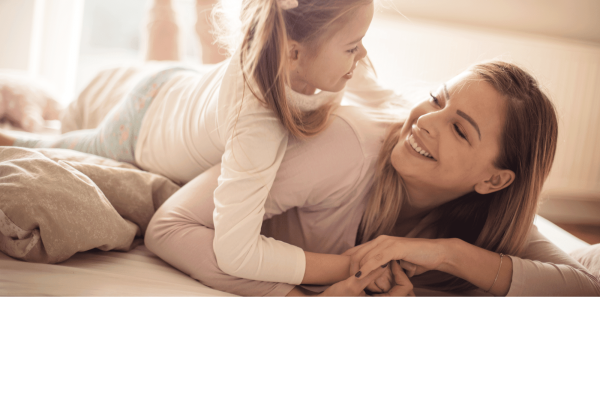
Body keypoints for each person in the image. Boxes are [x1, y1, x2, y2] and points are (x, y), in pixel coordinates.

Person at [0, 0, 397, 287]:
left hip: (179, 83)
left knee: (205, 61)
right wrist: (344, 268)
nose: (362, 56)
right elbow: (236, 252)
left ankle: (173, 22)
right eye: (352, 47)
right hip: (138, 126)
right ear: (294, 53)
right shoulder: (257, 128)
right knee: (57, 142)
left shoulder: (283, 44)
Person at [145, 61, 600, 297]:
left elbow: (584, 289)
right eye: (435, 99)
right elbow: (170, 227)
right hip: (156, 108)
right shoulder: (345, 147)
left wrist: (449, 255)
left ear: (494, 181)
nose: (425, 120)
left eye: (459, 129)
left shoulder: (485, 226)